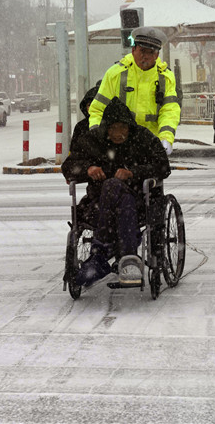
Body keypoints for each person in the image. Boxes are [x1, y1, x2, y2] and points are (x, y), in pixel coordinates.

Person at [63, 97, 171, 287]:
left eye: (123, 128)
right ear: (106, 128)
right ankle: (128, 258)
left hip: (138, 199)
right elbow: (69, 166)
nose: (119, 133)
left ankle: (100, 254)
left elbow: (163, 167)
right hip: (99, 203)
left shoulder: (142, 138)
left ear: (130, 126)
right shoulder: (92, 140)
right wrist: (88, 168)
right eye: (113, 128)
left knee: (114, 187)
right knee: (114, 190)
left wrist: (133, 173)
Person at [88, 27, 180, 156]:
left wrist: (166, 138)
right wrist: (97, 135)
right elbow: (98, 109)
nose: (146, 56)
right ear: (133, 50)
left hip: (151, 146)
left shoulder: (165, 77)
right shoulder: (115, 74)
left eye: (151, 52)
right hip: (118, 146)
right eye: (142, 51)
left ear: (157, 55)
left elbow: (170, 111)